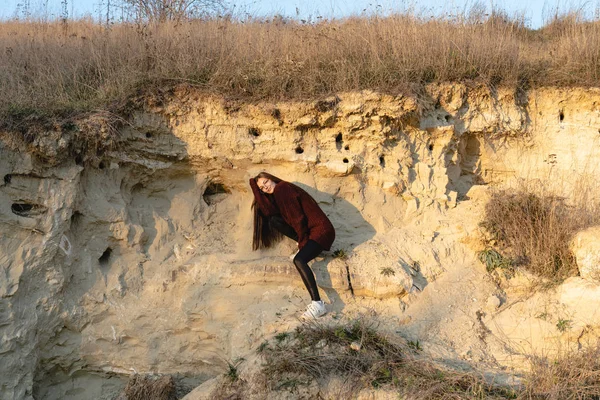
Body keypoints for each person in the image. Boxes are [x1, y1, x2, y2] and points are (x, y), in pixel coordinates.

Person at [249, 172, 335, 319]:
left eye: (266, 182)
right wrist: (253, 185)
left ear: (272, 178)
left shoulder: (283, 188)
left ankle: (318, 304)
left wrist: (302, 243)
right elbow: (268, 211)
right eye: (262, 188)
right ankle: (308, 247)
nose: (265, 187)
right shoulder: (277, 195)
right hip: (312, 232)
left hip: (321, 231)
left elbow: (298, 219)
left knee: (299, 260)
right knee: (274, 221)